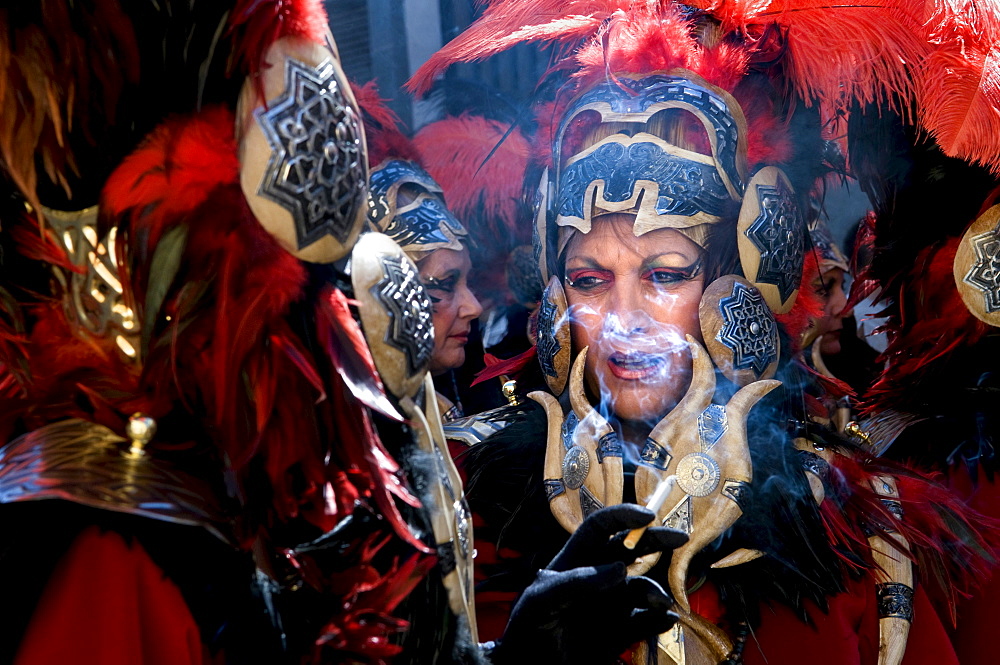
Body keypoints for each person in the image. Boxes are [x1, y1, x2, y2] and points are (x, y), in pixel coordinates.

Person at [409, 2, 998, 664]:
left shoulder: (848, 524)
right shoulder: (467, 504)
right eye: (591, 279)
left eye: (665, 274)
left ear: (738, 284)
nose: (625, 317)